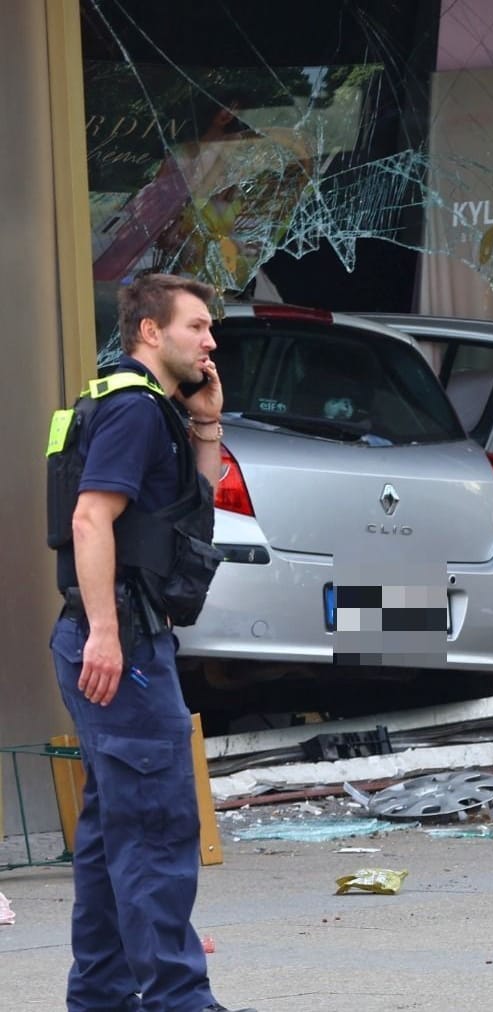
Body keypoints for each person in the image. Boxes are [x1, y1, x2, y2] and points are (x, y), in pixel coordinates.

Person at [47, 273, 252, 1012]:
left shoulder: (136, 406)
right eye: (196, 327)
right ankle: (179, 1001)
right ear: (149, 333)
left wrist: (206, 426)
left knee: (111, 836)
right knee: (158, 832)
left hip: (115, 636)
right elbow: (89, 521)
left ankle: (101, 996)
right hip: (123, 642)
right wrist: (107, 632)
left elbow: (180, 518)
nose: (210, 341)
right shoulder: (134, 411)